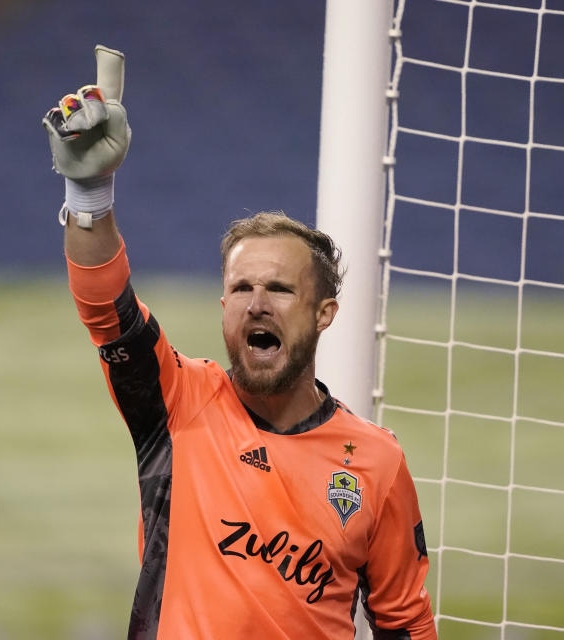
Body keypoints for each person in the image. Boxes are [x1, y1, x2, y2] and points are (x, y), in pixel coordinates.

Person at [43, 45, 436, 640]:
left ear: (324, 313)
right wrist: (89, 195)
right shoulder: (180, 401)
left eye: (279, 289)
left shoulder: (376, 463)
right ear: (224, 306)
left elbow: (405, 624)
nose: (256, 302)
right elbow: (107, 311)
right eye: (241, 287)